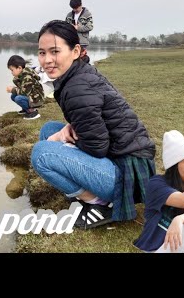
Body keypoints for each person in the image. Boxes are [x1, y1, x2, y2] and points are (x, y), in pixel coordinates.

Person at [30, 20, 156, 229]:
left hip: (127, 176)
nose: (47, 60)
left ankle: (100, 204)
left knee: (42, 154)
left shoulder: (77, 87)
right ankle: (89, 191)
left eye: (54, 51)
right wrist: (68, 129)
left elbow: (97, 147)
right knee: (48, 130)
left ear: (75, 50)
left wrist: (63, 138)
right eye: (42, 53)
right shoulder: (79, 74)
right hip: (123, 160)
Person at [6, 55, 44, 120]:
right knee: (13, 96)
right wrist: (14, 88)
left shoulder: (27, 77)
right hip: (32, 97)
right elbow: (23, 88)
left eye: (12, 70)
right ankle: (25, 109)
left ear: (19, 68)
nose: (11, 73)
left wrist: (12, 89)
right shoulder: (21, 76)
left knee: (18, 98)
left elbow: (24, 92)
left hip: (37, 99)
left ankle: (33, 112)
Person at [65, 0, 93, 64]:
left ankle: (84, 72)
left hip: (83, 41)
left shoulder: (87, 14)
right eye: (73, 8)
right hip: (71, 41)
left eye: (76, 8)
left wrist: (78, 28)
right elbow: (65, 26)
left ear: (80, 5)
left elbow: (90, 27)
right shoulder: (69, 15)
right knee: (72, 59)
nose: (75, 10)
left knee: (81, 60)